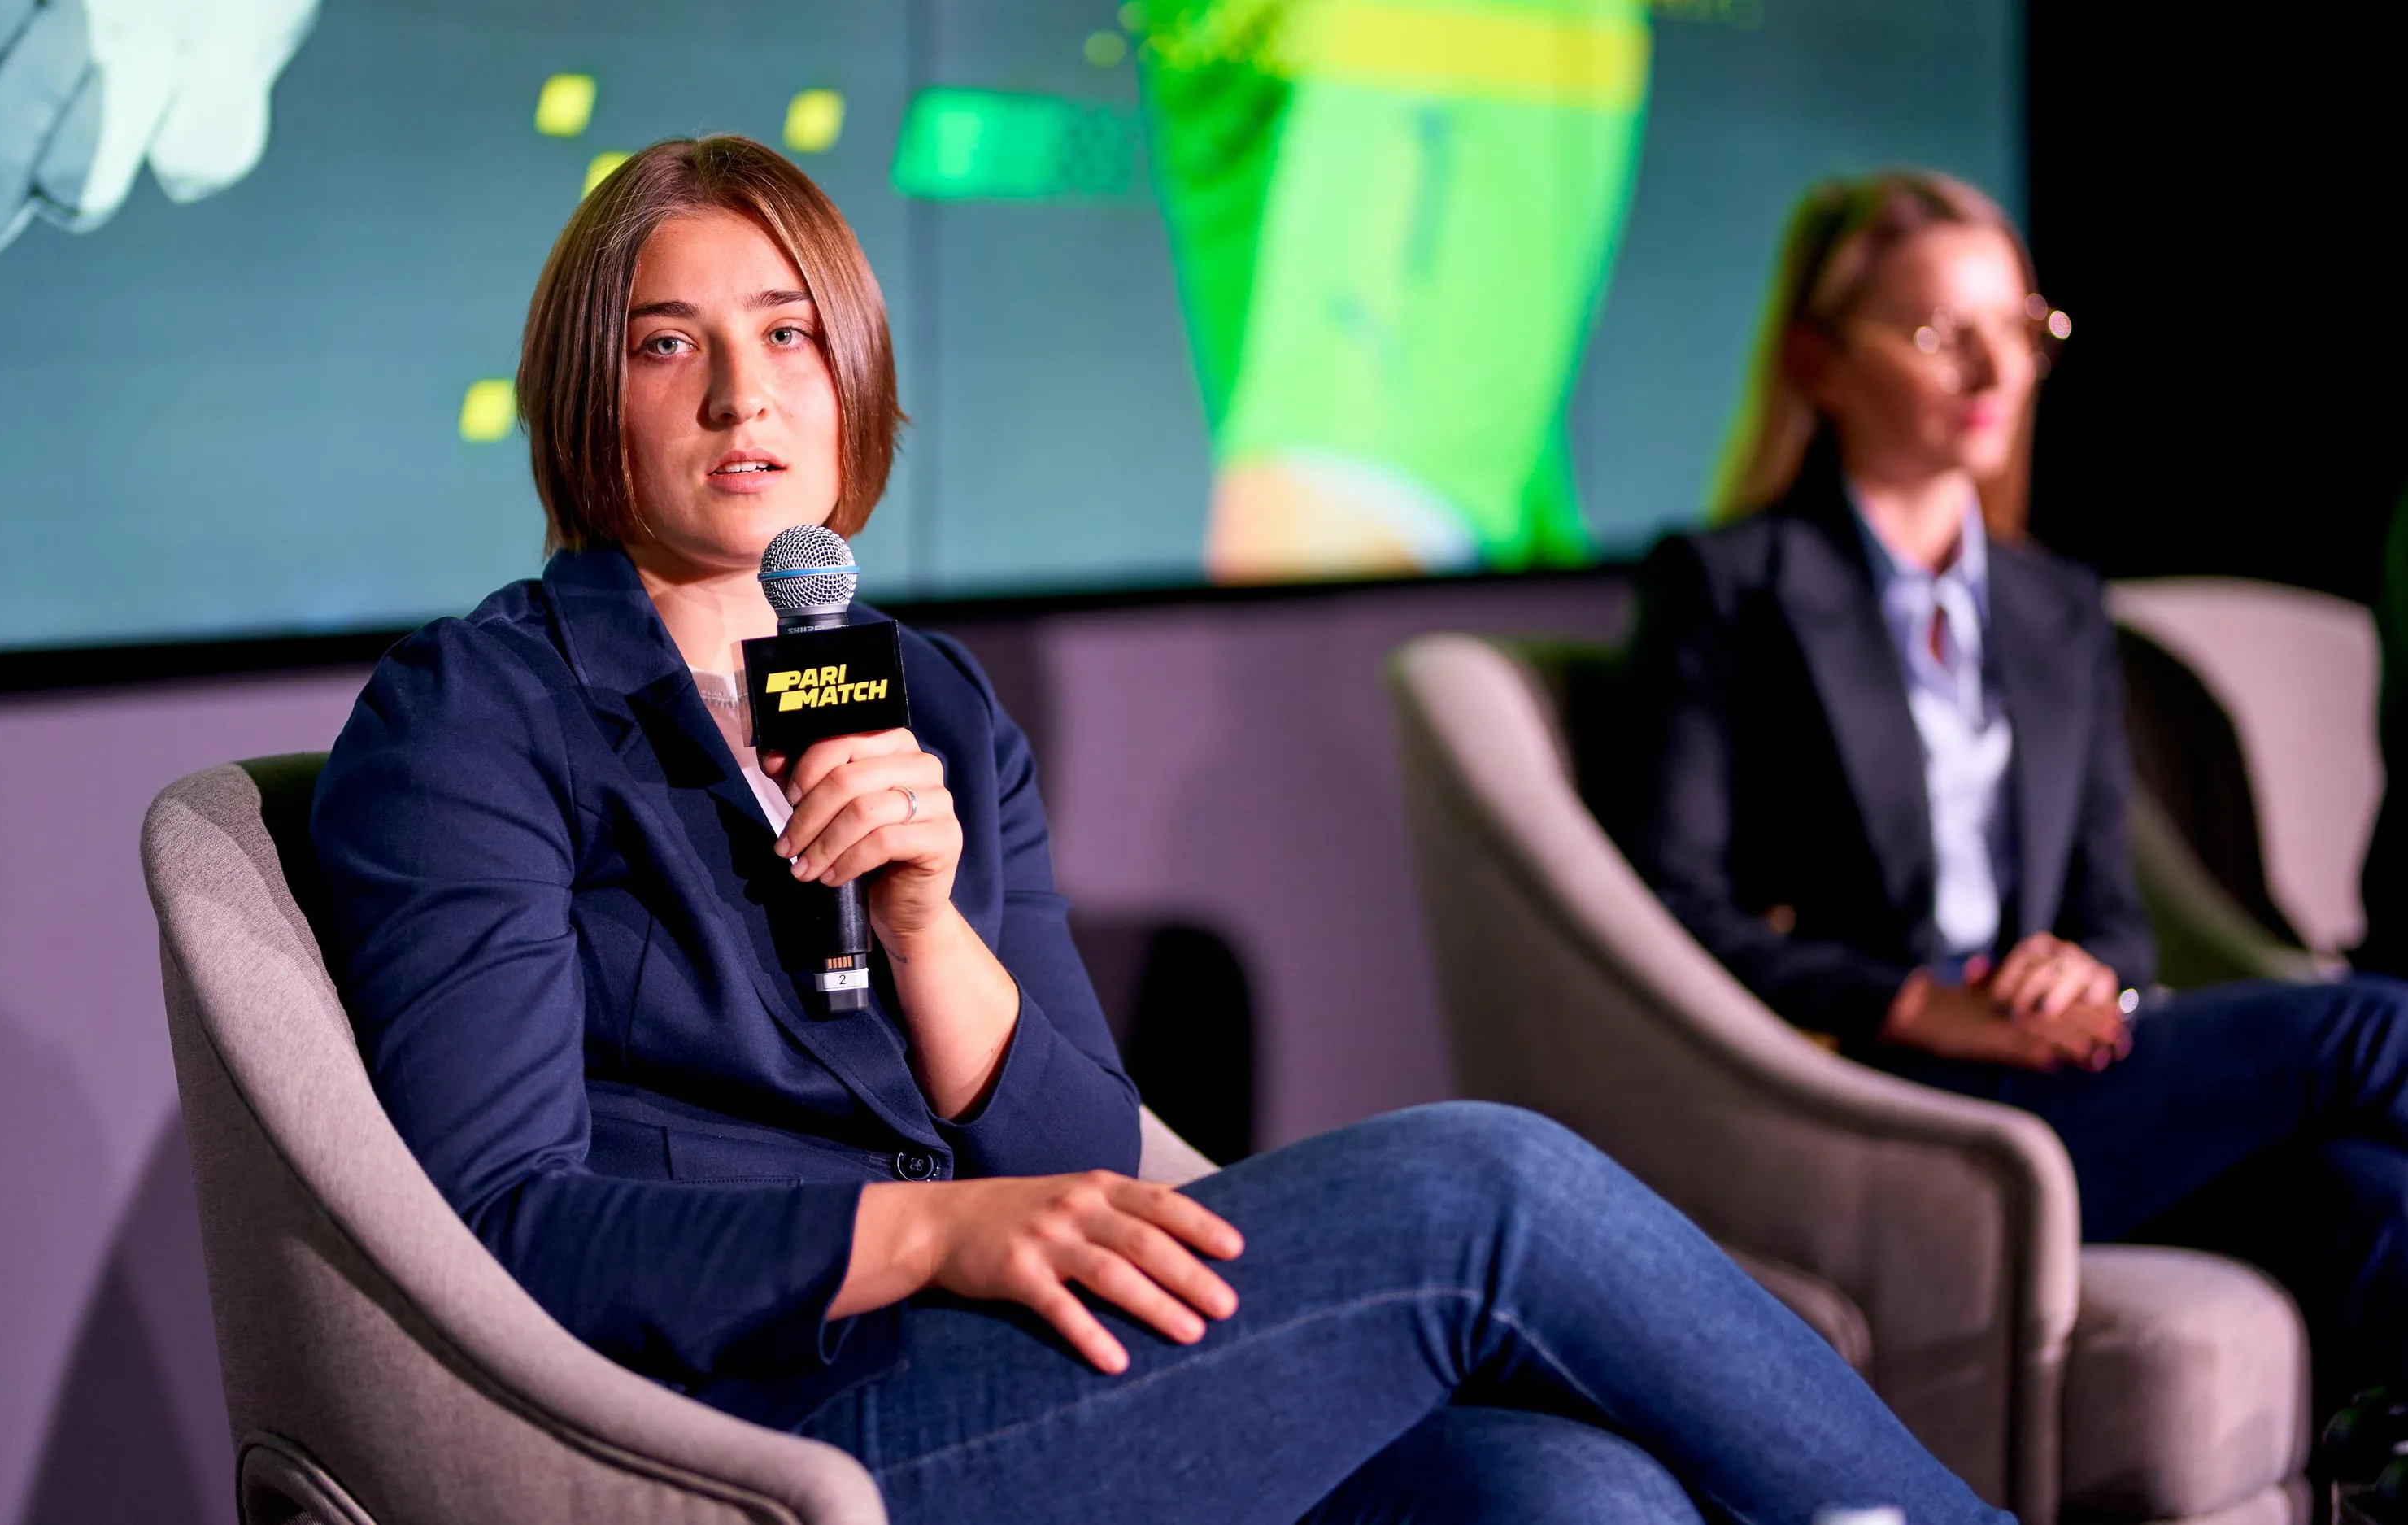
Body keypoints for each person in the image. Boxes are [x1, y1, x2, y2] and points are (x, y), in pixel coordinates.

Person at [310, 136, 2011, 1524]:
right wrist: (925, 1232)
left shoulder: (926, 698)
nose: (744, 395)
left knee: (1567, 1490)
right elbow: (500, 1227)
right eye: (668, 343)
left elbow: (1085, 1150)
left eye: (790, 333)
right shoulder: (476, 712)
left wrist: (925, 926)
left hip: (1005, 1361)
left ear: (853, 375)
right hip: (740, 1426)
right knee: (1477, 1187)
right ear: (585, 397)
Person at [1622, 168, 2408, 1415]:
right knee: (2370, 1028)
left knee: (2373, 1201)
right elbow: (1671, 913)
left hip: (2062, 1066)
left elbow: (2116, 909)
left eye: (2018, 328)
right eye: (1944, 336)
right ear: (1819, 364)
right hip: (1876, 1087)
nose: (1997, 372)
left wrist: (2082, 967)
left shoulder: (2054, 606)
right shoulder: (1726, 588)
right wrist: (1914, 1001)